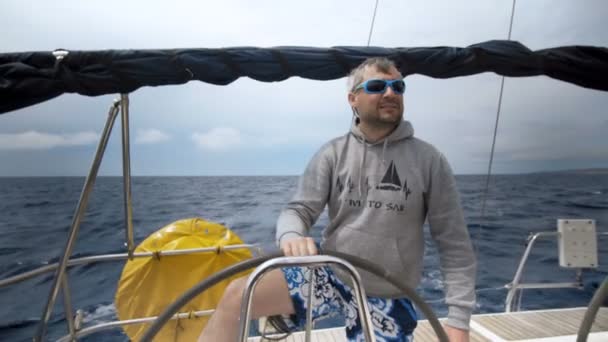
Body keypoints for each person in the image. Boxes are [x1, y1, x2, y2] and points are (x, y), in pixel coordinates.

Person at [199, 57, 476, 342]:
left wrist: (458, 323)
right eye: (378, 86)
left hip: (389, 294)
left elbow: (454, 246)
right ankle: (287, 312)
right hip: (330, 275)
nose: (391, 93)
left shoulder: (430, 160)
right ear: (353, 99)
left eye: (398, 86)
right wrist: (292, 234)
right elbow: (299, 209)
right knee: (236, 296)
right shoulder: (332, 154)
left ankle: (288, 317)